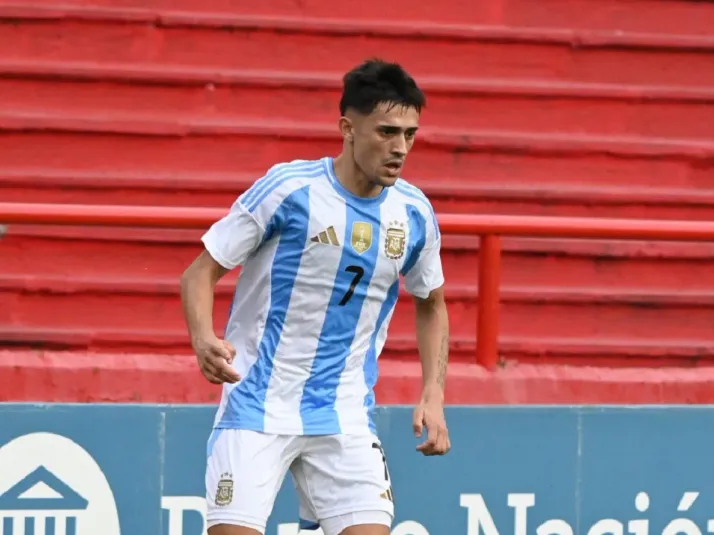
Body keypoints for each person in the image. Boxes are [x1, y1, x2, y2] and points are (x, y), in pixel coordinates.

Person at [179, 58, 451, 535]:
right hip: (257, 404)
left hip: (344, 411)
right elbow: (199, 273)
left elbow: (431, 303)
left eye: (410, 134)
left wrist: (434, 391)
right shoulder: (289, 189)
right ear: (347, 127)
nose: (400, 147)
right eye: (387, 131)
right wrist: (203, 337)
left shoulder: (413, 212)